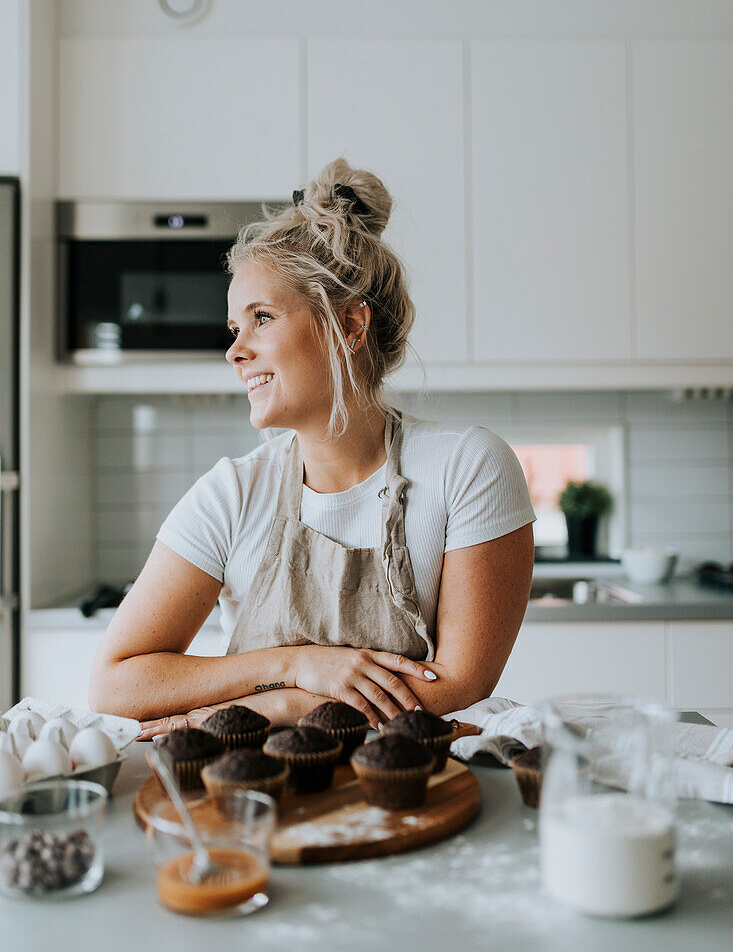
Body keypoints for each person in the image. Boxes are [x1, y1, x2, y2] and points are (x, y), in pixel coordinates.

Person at [89, 158, 536, 737]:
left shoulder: (467, 468)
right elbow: (115, 683)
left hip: (413, 795)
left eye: (262, 318)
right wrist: (294, 665)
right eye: (234, 328)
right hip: (259, 800)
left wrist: (281, 706)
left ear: (348, 324)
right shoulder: (232, 494)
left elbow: (459, 683)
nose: (235, 351)